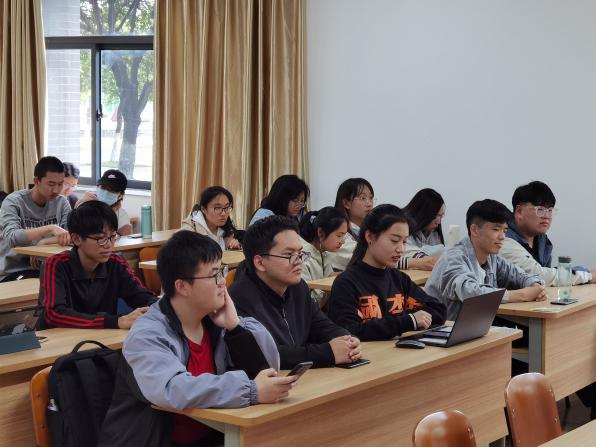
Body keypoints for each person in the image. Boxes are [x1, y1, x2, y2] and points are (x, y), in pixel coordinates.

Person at [99, 231, 294, 447]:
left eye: (222, 271)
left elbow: (269, 371)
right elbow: (172, 389)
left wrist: (235, 327)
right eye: (214, 275)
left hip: (212, 437)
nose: (223, 282)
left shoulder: (213, 321)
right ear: (182, 286)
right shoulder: (148, 334)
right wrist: (251, 391)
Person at [229, 215, 362, 369]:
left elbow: (323, 326)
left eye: (300, 253)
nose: (299, 261)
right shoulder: (238, 299)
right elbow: (266, 354)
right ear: (260, 262)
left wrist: (347, 340)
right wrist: (328, 353)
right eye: (288, 255)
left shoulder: (297, 287)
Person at [327, 204, 446, 340]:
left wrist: (405, 321)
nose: (401, 249)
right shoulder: (346, 283)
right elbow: (350, 330)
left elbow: (439, 310)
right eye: (394, 240)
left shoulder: (399, 278)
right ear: (370, 236)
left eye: (404, 242)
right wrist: (408, 321)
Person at [38, 201, 156, 329]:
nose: (108, 245)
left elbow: (140, 295)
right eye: (100, 238)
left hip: (102, 336)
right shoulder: (56, 265)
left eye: (112, 236)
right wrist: (114, 321)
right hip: (58, 338)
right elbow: (54, 314)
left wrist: (158, 306)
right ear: (76, 239)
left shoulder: (115, 263)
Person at [425, 199, 547, 320]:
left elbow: (521, 276)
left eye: (504, 231)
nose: (502, 237)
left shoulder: (492, 258)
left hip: (476, 326)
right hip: (442, 329)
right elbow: (470, 293)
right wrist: (522, 295)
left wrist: (536, 286)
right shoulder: (453, 258)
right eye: (496, 229)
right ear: (474, 230)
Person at [500, 181, 596, 285]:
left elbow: (547, 276)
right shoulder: (502, 240)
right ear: (519, 212)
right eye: (540, 209)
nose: (547, 216)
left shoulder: (541, 240)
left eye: (550, 210)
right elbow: (538, 275)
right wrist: (588, 276)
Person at [0, 156, 71, 282]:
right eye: (51, 184)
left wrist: (43, 243)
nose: (56, 190)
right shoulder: (14, 201)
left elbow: (71, 235)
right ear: (37, 181)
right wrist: (50, 228)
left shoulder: (62, 202)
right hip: (14, 271)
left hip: (49, 269)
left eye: (60, 184)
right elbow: (12, 237)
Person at [298, 207, 348, 307]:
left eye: (344, 236)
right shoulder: (302, 257)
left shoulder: (324, 253)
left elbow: (329, 277)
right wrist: (327, 286)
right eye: (339, 235)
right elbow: (305, 301)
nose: (343, 241)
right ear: (320, 232)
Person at [328, 178, 375, 271]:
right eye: (363, 198)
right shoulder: (339, 234)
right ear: (346, 203)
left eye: (371, 198)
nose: (369, 204)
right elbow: (369, 259)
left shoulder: (367, 229)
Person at [181, 186, 241, 250]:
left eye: (226, 207)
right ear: (203, 209)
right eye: (217, 208)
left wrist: (234, 246)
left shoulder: (226, 229)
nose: (223, 213)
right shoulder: (189, 232)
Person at [76, 169, 132, 236]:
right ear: (97, 187)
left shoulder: (121, 214)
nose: (106, 192)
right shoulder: (84, 205)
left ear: (121, 195)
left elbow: (125, 238)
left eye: (112, 190)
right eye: (103, 187)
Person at [401, 188, 445, 271]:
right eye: (436, 215)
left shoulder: (434, 233)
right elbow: (407, 252)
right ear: (423, 213)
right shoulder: (402, 227)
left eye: (441, 216)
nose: (439, 222)